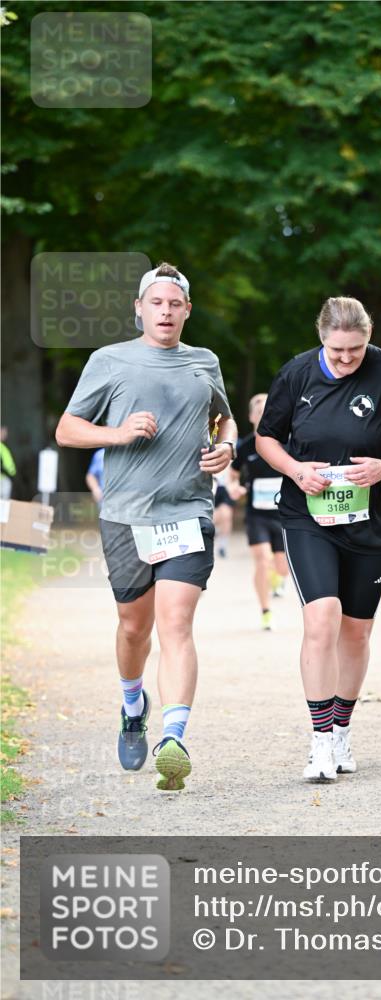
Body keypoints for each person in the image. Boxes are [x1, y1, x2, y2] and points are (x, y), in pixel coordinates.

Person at [55, 262, 237, 791]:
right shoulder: (109, 360)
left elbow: (225, 418)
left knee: (176, 623)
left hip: (188, 513)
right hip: (126, 516)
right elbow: (67, 430)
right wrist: (118, 433)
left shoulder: (205, 362)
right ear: (139, 308)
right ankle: (133, 704)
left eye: (174, 304)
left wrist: (226, 446)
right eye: (155, 303)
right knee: (135, 627)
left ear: (186, 311)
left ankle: (173, 738)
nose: (165, 311)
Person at [256, 296, 381, 782]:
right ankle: (318, 742)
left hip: (370, 520)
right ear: (322, 338)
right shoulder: (296, 375)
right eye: (337, 350)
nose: (345, 359)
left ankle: (340, 730)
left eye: (355, 350)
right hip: (307, 516)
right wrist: (295, 470)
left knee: (356, 631)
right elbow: (266, 438)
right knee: (322, 617)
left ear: (368, 338)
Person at [228, 393, 289, 631]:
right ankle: (266, 611)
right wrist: (234, 488)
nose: (265, 415)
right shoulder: (244, 446)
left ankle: (277, 578)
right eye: (260, 411)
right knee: (263, 561)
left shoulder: (286, 443)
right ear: (252, 416)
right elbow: (232, 476)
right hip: (257, 515)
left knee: (282, 568)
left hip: (283, 514)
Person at [212, 466, 235, 558]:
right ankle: (216, 532)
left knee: (226, 516)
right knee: (214, 519)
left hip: (224, 488)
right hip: (211, 487)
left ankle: (222, 546)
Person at [0, 427, 16, 500]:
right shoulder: (2, 448)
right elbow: (10, 467)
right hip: (2, 480)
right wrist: (13, 472)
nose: (6, 435)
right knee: (7, 483)